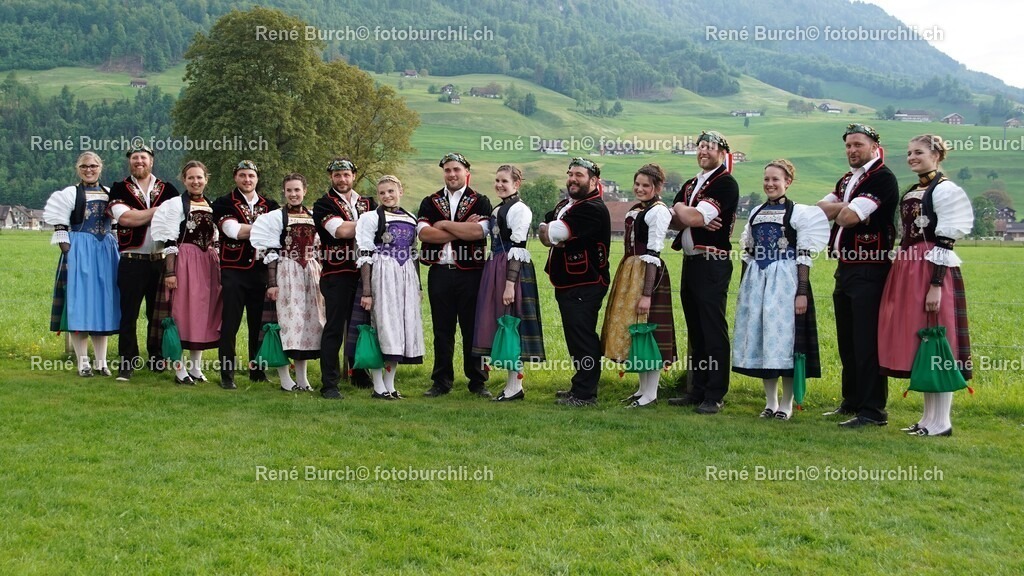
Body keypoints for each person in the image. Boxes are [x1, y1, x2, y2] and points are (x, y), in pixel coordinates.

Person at [879, 135, 973, 437]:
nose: (911, 157)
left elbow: (946, 240)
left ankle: (942, 420)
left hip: (932, 269)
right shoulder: (915, 189)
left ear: (936, 154)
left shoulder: (945, 190)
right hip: (909, 268)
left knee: (938, 340)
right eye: (908, 153)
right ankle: (928, 418)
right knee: (923, 341)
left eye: (918, 152)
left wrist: (936, 284)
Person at [732, 160, 830, 420]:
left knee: (785, 340)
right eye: (766, 179)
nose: (770, 184)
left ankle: (786, 404)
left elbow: (804, 255)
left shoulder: (798, 213)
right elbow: (748, 252)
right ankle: (770, 402)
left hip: (785, 281)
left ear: (788, 182)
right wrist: (745, 288)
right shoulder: (755, 212)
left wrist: (801, 291)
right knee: (764, 338)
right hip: (758, 280)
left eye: (776, 179)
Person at [817, 123, 900, 428]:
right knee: (848, 340)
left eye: (858, 145)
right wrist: (843, 205)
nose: (852, 150)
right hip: (846, 268)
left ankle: (873, 410)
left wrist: (839, 208)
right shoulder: (847, 180)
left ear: (875, 147)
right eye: (849, 145)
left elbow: (850, 218)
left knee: (866, 342)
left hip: (870, 267)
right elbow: (819, 209)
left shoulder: (882, 178)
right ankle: (851, 401)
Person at [667, 131, 739, 415]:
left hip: (712, 262)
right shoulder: (690, 184)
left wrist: (686, 212)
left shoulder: (725, 183)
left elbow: (693, 218)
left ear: (722, 152)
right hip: (691, 261)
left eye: (710, 147)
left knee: (712, 328)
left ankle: (715, 392)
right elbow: (673, 221)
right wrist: (684, 212)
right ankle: (697, 389)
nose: (703, 151)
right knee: (696, 328)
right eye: (700, 147)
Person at [416, 152, 493, 398]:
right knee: (442, 329)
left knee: (473, 328)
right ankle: (441, 381)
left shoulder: (480, 200)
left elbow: (479, 233)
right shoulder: (430, 201)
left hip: (471, 272)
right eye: (447, 170)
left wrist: (444, 225)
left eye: (456, 170)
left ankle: (478, 381)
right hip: (440, 271)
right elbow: (425, 235)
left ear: (466, 172)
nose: (451, 174)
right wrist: (461, 228)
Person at [601, 163, 677, 408]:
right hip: (631, 272)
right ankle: (643, 389)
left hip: (648, 275)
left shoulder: (658, 211)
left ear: (658, 187)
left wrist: (647, 294)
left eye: (646, 185)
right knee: (636, 331)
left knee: (648, 330)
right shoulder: (636, 210)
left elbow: (653, 252)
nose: (640, 189)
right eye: (638, 184)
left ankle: (651, 392)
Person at [539, 157, 611, 407]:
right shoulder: (567, 204)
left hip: (586, 280)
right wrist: (549, 229)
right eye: (570, 174)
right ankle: (579, 385)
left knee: (582, 336)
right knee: (574, 335)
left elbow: (554, 232)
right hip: (569, 281)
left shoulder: (592, 208)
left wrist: (550, 230)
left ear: (593, 181)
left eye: (579, 175)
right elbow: (547, 227)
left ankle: (585, 394)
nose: (572, 178)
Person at [471, 165, 545, 402]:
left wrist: (510, 284)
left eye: (504, 181)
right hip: (496, 267)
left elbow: (518, 247)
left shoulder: (520, 210)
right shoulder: (500, 208)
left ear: (517, 184)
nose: (499, 185)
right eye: (497, 180)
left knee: (512, 323)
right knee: (503, 322)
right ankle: (512, 385)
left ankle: (515, 387)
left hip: (510, 269)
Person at [346, 175, 424, 399]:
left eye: (391, 191)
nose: (387, 196)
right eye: (382, 193)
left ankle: (390, 385)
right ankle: (378, 385)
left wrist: (418, 286)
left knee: (399, 329)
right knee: (382, 327)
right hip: (382, 274)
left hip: (405, 275)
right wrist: (368, 292)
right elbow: (365, 255)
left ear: (401, 190)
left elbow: (414, 252)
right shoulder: (370, 218)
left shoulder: (410, 217)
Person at [43, 152, 120, 377]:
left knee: (103, 305)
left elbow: (115, 226)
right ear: (78, 168)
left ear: (100, 168)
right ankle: (83, 362)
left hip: (105, 251)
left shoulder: (109, 193)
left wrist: (115, 248)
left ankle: (102, 362)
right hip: (80, 250)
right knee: (81, 304)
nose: (89, 169)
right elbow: (60, 227)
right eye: (85, 166)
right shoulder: (71, 193)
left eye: (94, 166)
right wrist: (70, 253)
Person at [108, 143, 181, 381]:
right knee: (128, 313)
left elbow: (176, 219)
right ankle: (127, 362)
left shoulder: (168, 188)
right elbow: (126, 218)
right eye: (135, 158)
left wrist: (146, 214)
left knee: (157, 313)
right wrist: (161, 211)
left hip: (160, 260)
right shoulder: (120, 187)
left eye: (144, 158)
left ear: (152, 161)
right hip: (131, 259)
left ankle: (156, 357)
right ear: (129, 161)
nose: (139, 161)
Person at [250, 173, 326, 392]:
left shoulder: (313, 216)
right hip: (286, 273)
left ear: (305, 191)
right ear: (284, 192)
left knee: (307, 326)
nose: (293, 194)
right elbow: (271, 253)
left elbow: (319, 249)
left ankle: (302, 379)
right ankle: (285, 378)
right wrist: (272, 283)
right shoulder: (276, 218)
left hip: (310, 274)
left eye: (297, 190)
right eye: (289, 190)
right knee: (286, 325)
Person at [150, 160, 222, 385]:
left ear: (206, 179)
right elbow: (171, 240)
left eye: (199, 177)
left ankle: (196, 368)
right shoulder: (175, 205)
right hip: (184, 262)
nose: (196, 181)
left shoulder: (211, 205)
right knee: (180, 313)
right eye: (191, 177)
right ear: (184, 180)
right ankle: (179, 368)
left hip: (207, 263)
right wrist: (171, 272)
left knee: (201, 314)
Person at [212, 160, 280, 390]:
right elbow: (233, 231)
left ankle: (257, 371)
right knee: (230, 324)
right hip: (234, 271)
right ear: (235, 178)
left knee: (257, 325)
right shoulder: (223, 203)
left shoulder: (270, 204)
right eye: (242, 175)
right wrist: (266, 228)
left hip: (261, 272)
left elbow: (278, 233)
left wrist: (264, 228)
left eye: (251, 175)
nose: (247, 179)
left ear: (257, 178)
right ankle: (227, 375)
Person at [313, 158, 377, 399]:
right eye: (337, 175)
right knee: (334, 328)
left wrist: (375, 221)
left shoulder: (368, 202)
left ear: (354, 176)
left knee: (361, 325)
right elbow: (339, 230)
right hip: (336, 273)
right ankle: (329, 383)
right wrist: (374, 222)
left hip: (365, 274)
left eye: (346, 174)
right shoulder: (323, 204)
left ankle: (358, 373)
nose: (342, 179)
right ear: (331, 177)